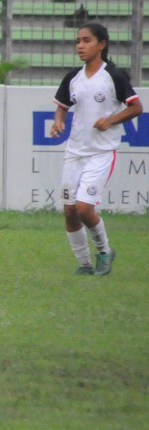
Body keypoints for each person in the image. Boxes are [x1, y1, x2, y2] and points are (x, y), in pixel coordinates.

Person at [49, 22, 141, 276]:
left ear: (101, 44)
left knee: (84, 208)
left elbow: (136, 107)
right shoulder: (73, 77)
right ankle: (85, 264)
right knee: (69, 211)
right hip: (74, 152)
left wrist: (110, 120)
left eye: (86, 40)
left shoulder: (113, 76)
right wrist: (59, 121)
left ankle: (104, 251)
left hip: (101, 153)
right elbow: (62, 106)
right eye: (78, 41)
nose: (80, 45)